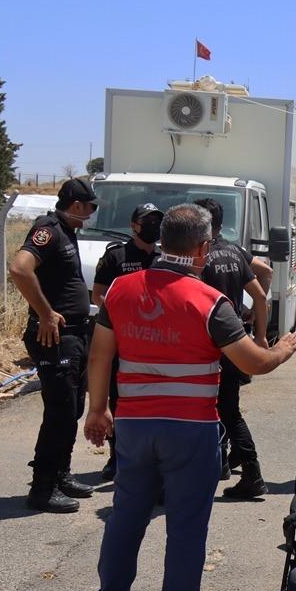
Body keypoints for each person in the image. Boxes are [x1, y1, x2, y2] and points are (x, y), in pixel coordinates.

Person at [84, 203, 296, 591]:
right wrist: (283, 348)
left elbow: (99, 355)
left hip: (133, 426)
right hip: (190, 428)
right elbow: (254, 363)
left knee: (126, 515)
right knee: (185, 524)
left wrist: (97, 408)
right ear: (203, 248)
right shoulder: (209, 302)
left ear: (162, 240)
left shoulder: (121, 290)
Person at [8, 178, 99, 513]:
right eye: (91, 206)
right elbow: (20, 269)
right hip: (54, 336)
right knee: (60, 411)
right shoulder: (48, 229)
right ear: (77, 205)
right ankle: (42, 488)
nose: (92, 213)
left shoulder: (66, 231)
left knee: (72, 408)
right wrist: (45, 313)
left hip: (74, 336)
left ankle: (60, 474)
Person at [194, 198, 273, 497]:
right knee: (225, 406)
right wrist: (260, 335)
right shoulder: (234, 251)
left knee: (224, 409)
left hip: (209, 343)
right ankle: (225, 463)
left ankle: (251, 472)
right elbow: (261, 295)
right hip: (235, 340)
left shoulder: (200, 255)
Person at [91, 203, 163, 482]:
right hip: (123, 340)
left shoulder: (163, 256)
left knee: (152, 398)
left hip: (157, 343)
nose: (153, 226)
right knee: (119, 399)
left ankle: (150, 457)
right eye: (147, 221)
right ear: (134, 225)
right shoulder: (116, 255)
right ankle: (116, 456)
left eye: (157, 221)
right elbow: (98, 294)